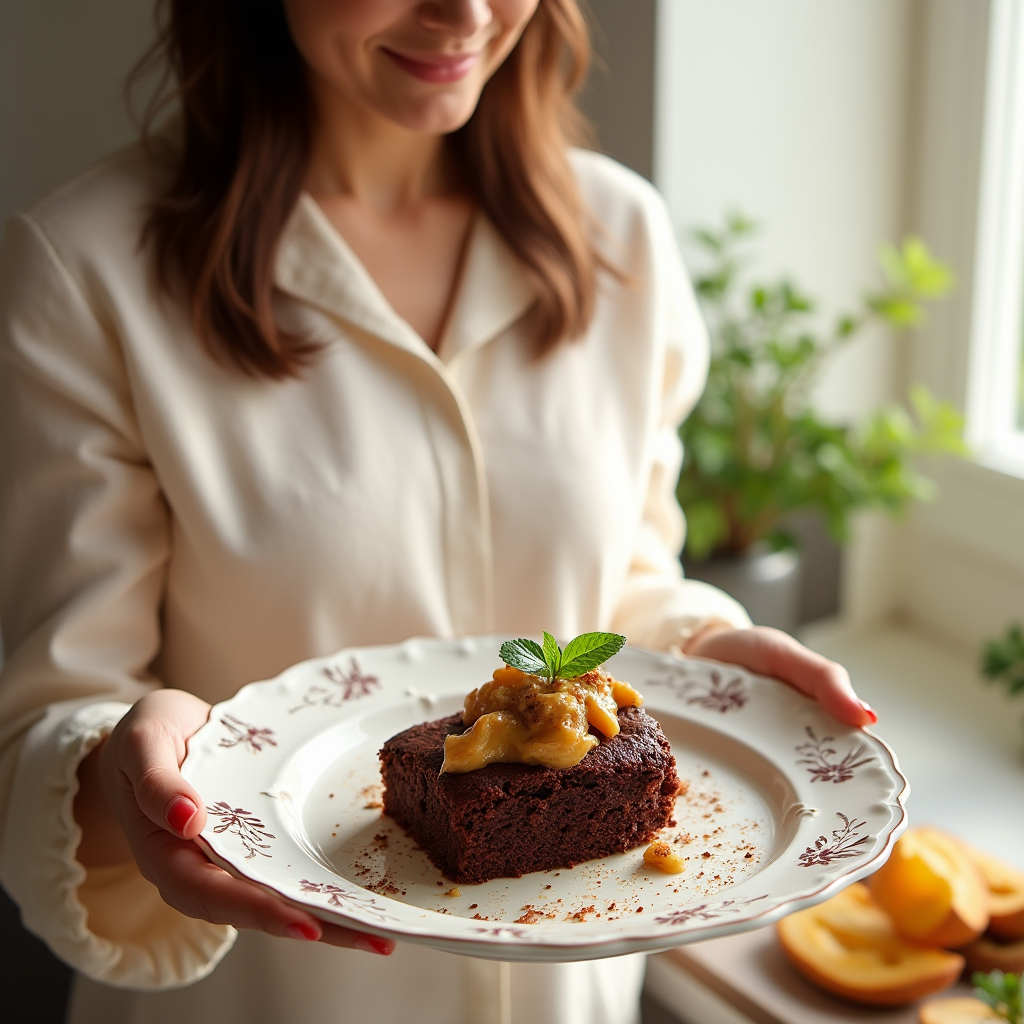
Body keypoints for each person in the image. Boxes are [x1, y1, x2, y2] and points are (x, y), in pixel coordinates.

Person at [0, 1, 875, 1022]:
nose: (463, 12)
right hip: (271, 988)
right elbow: (46, 722)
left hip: (577, 976)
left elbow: (623, 582)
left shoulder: (619, 232)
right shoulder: (85, 268)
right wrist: (123, 766)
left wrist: (709, 647)